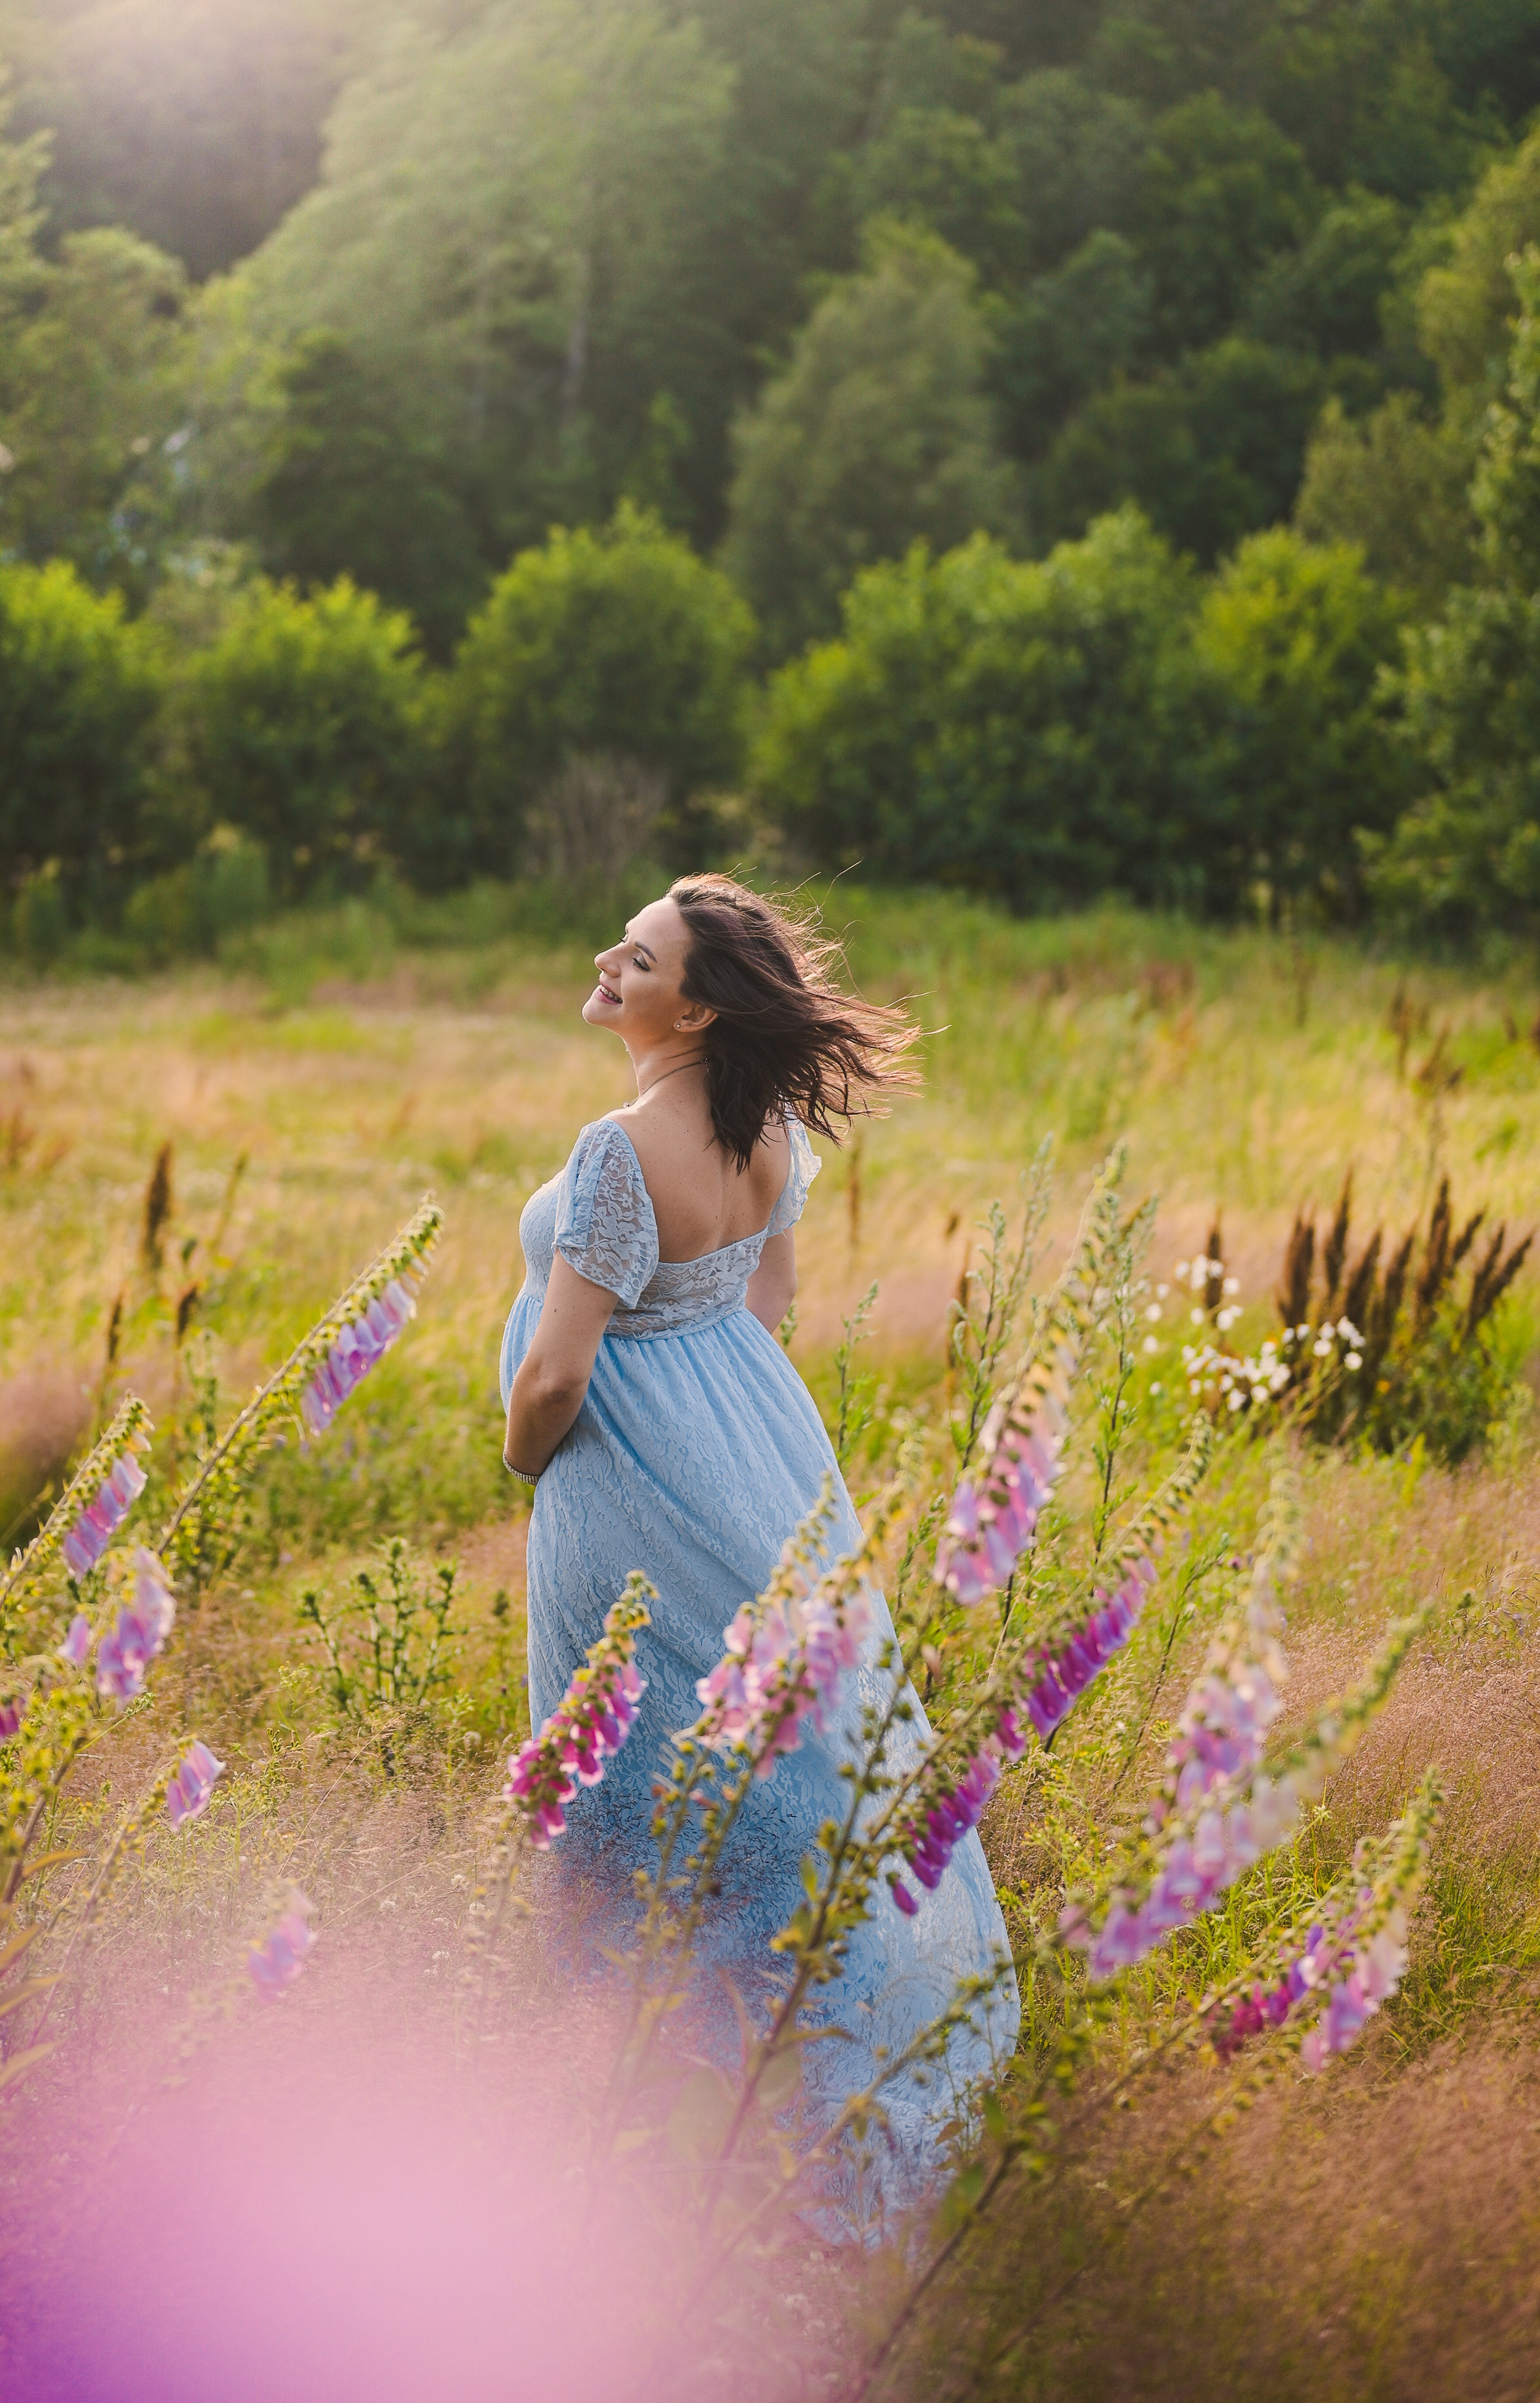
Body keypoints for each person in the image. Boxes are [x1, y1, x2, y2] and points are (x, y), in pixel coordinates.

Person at [500, 875, 1018, 2200]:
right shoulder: (770, 1127)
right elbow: (763, 1310)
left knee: (631, 1750)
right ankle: (780, 2060)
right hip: (753, 1456)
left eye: (638, 956)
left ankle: (649, 2096)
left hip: (619, 1480)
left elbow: (558, 1373)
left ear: (698, 1005)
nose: (607, 963)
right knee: (777, 1747)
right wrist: (715, 1440)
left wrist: (523, 1459)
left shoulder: (620, 1147)